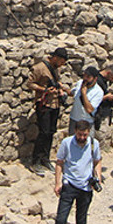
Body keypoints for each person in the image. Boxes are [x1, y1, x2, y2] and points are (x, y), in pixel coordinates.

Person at [27, 47, 71, 176]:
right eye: (61, 62)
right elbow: (30, 84)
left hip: (55, 104)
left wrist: (60, 87)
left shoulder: (56, 68)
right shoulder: (39, 68)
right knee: (43, 132)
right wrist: (44, 90)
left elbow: (57, 81)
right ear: (56, 58)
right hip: (44, 104)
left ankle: (45, 159)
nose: (62, 65)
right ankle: (35, 161)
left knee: (51, 132)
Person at [53, 120, 102, 224]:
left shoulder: (94, 144)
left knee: (81, 220)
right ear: (75, 131)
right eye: (80, 134)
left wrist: (98, 178)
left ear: (89, 132)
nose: (82, 137)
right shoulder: (67, 143)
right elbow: (59, 162)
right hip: (69, 185)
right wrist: (57, 183)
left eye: (85, 135)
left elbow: (97, 161)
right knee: (61, 220)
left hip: (86, 187)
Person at [68, 67, 105, 135]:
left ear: (95, 79)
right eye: (84, 76)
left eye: (88, 77)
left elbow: (89, 109)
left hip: (87, 122)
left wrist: (84, 93)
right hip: (74, 120)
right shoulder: (79, 83)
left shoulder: (98, 92)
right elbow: (72, 93)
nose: (85, 79)